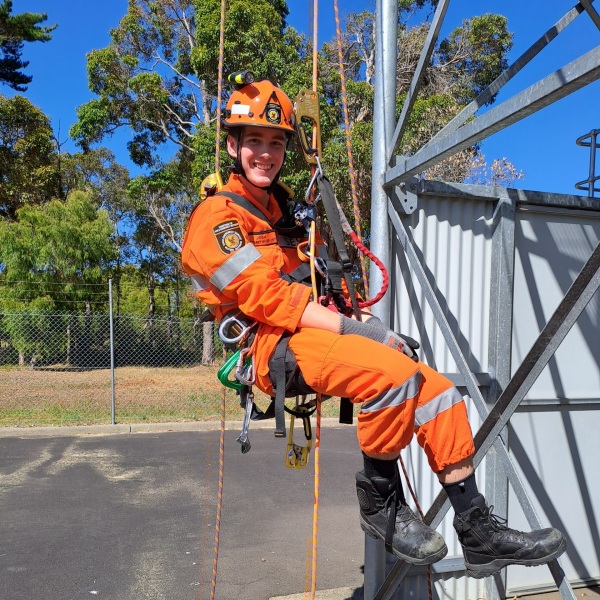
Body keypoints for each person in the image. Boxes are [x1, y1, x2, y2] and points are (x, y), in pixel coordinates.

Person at [181, 76, 567, 578]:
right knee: (389, 375)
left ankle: (478, 533)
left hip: (312, 331)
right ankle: (380, 503)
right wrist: (356, 332)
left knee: (438, 392)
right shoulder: (219, 217)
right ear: (232, 146)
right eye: (254, 140)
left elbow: (322, 285)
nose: (266, 153)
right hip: (270, 345)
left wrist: (366, 321)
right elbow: (270, 298)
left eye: (275, 143)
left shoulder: (288, 215)